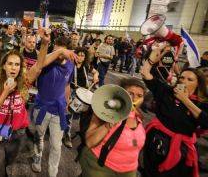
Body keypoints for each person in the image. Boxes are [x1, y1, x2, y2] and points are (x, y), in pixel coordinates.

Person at [0, 27, 51, 177]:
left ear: (21, 68)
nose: (13, 68)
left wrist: (45, 43)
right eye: (10, 64)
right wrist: (5, 92)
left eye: (17, 65)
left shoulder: (25, 81)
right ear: (3, 65)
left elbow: (39, 66)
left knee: (8, 162)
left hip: (17, 134)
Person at [141, 42, 208, 177]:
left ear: (198, 84)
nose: (184, 81)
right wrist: (151, 59)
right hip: (155, 141)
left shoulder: (202, 103)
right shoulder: (167, 91)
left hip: (179, 149)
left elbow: (205, 121)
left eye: (190, 79)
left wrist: (185, 100)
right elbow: (146, 74)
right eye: (182, 78)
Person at [79, 78, 147, 177]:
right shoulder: (105, 111)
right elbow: (90, 142)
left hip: (129, 171)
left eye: (139, 96)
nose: (134, 99)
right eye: (130, 94)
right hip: (100, 168)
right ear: (121, 94)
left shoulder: (138, 116)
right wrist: (111, 121)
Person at [31, 36, 77, 177]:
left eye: (62, 49)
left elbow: (67, 84)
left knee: (56, 145)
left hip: (59, 110)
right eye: (57, 48)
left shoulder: (70, 63)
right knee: (39, 136)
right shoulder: (47, 60)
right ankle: (37, 157)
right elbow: (40, 63)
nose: (59, 51)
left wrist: (67, 102)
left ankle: (53, 171)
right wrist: (58, 52)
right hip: (41, 107)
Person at [63, 47, 99, 148]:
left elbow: (96, 72)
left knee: (85, 117)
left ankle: (85, 135)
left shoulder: (86, 66)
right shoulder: (69, 64)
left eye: (82, 55)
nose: (80, 57)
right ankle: (67, 135)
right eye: (78, 55)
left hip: (83, 93)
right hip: (72, 92)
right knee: (68, 116)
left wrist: (95, 76)